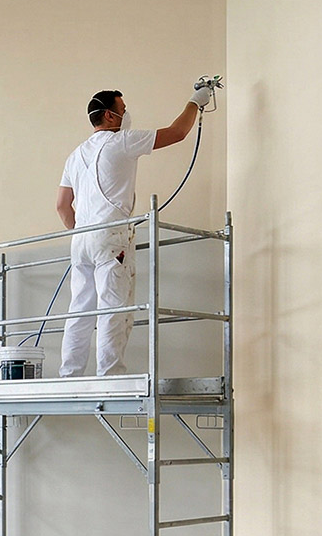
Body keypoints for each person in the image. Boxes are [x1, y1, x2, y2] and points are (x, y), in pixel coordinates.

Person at [54, 83, 212, 377]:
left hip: (81, 241)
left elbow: (63, 206)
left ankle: (69, 374)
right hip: (111, 236)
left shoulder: (75, 156)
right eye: (123, 111)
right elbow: (177, 133)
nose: (127, 116)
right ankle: (109, 375)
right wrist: (195, 101)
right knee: (113, 306)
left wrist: (84, 233)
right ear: (110, 117)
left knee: (80, 308)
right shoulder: (122, 142)